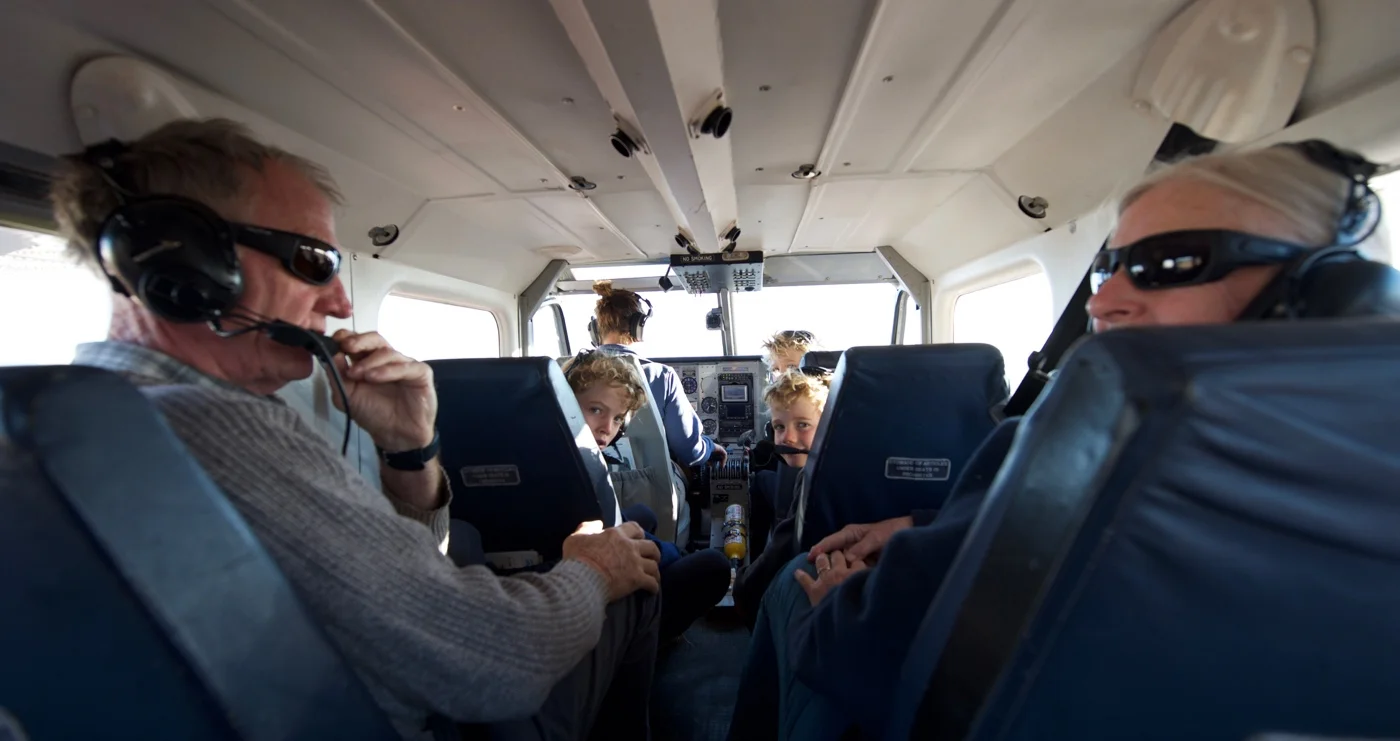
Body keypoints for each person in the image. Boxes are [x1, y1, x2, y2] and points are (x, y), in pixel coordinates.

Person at [726, 139, 1398, 741]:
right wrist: (917, 521)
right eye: (1112, 268)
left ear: (1317, 291)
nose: (1103, 304)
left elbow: (868, 648)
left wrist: (833, 599)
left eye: (1169, 262)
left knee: (794, 581)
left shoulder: (1088, 444)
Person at [52, 118, 663, 741]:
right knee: (633, 576)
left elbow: (400, 586)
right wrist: (592, 569)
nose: (342, 303)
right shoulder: (217, 430)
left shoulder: (81, 414)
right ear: (192, 267)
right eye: (314, 261)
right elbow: (499, 659)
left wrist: (411, 449)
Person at [562, 350, 731, 641]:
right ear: (564, 402)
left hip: (587, 543)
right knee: (715, 567)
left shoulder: (576, 455)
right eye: (596, 410)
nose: (607, 429)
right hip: (593, 574)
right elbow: (691, 451)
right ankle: (649, 635)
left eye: (617, 419)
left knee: (645, 516)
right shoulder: (577, 469)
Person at [732, 368, 833, 627]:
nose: (787, 436)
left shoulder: (812, 478)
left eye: (803, 425)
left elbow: (784, 547)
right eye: (779, 426)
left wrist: (742, 585)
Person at [590, 280, 726, 468]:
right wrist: (710, 447)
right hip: (649, 489)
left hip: (586, 486)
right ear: (638, 326)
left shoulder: (569, 374)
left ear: (595, 331)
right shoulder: (661, 376)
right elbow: (689, 450)